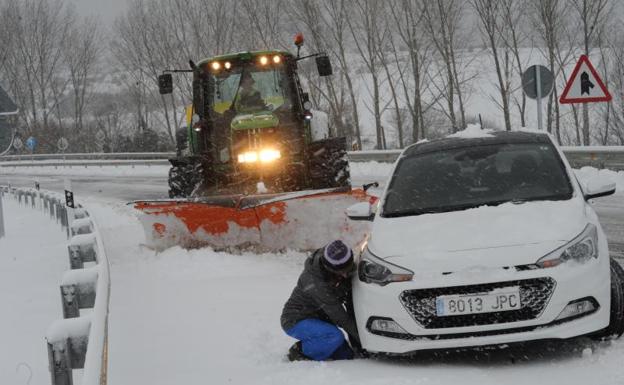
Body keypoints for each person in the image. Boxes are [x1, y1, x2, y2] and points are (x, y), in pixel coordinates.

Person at [280, 240, 362, 361]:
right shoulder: (315, 282)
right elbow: (339, 316)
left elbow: (350, 304)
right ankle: (299, 351)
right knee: (333, 336)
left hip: (320, 317)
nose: (346, 275)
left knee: (346, 355)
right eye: (342, 272)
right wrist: (364, 340)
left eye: (348, 269)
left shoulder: (338, 263)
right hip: (296, 320)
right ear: (329, 268)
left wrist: (358, 343)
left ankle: (318, 344)